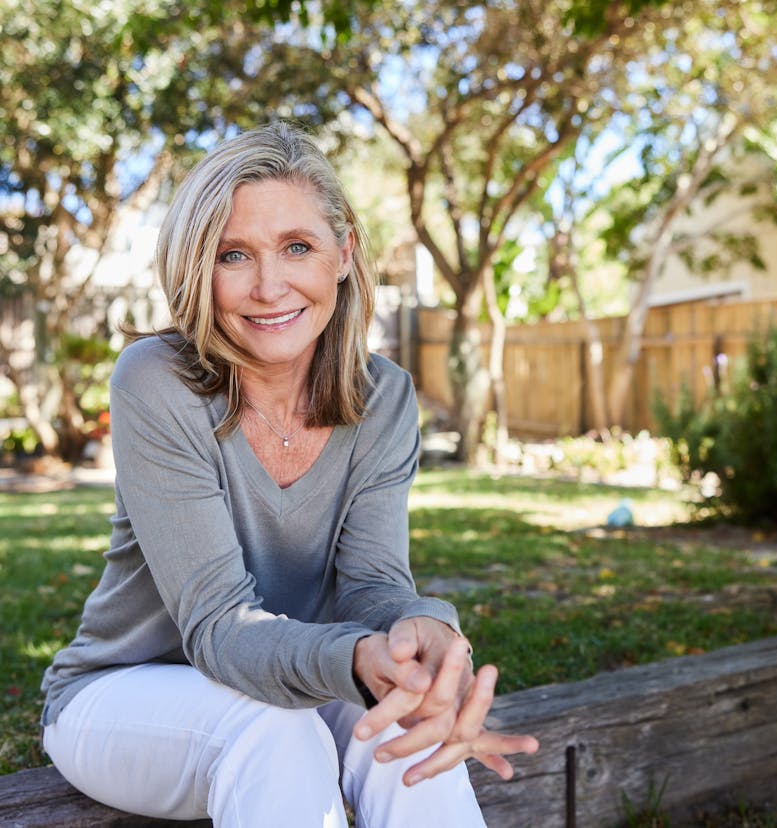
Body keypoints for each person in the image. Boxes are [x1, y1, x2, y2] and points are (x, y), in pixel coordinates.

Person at [40, 121, 538, 827]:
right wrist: (359, 655)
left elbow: (373, 586)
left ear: (343, 253)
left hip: (294, 679)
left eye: (297, 247)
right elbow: (218, 624)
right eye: (232, 254)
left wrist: (424, 636)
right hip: (124, 694)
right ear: (196, 268)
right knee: (274, 729)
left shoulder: (384, 395)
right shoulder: (157, 381)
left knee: (400, 721)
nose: (269, 286)